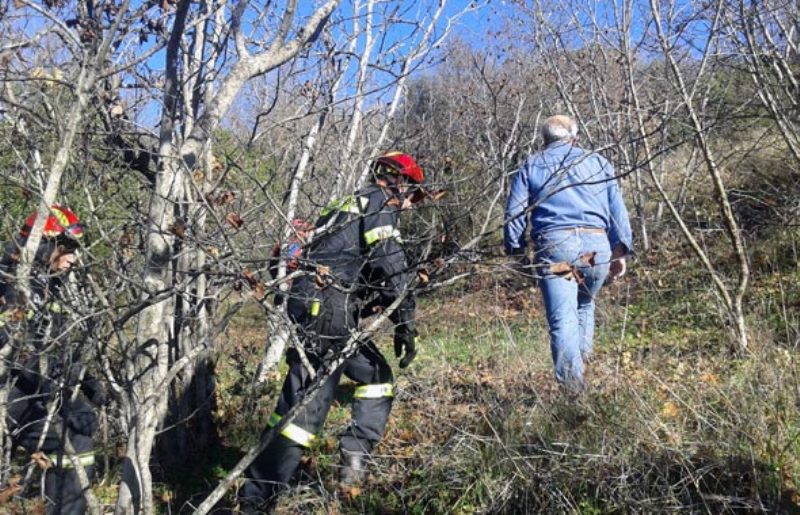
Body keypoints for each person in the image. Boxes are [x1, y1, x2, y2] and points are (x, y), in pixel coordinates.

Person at [241, 152, 424, 507]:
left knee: (376, 377)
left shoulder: (349, 204)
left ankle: (353, 471)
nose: (411, 204)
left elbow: (357, 264)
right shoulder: (378, 201)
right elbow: (390, 263)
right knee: (305, 410)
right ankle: (256, 501)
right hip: (325, 311)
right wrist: (406, 325)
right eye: (412, 194)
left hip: (320, 307)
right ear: (399, 182)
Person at [504, 115, 633, 392]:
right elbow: (616, 209)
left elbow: (514, 212)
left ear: (545, 139)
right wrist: (620, 250)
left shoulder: (531, 164)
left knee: (563, 319)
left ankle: (573, 394)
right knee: (585, 305)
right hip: (597, 247)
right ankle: (582, 369)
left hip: (556, 248)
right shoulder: (598, 162)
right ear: (574, 138)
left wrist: (515, 252)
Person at [1, 205, 107, 514]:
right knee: (68, 443)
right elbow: (17, 352)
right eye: (69, 248)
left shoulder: (50, 285)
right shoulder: (9, 282)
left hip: (36, 384)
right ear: (47, 243)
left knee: (84, 425)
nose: (74, 257)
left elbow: (57, 345)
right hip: (10, 389)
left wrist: (87, 381)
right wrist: (55, 387)